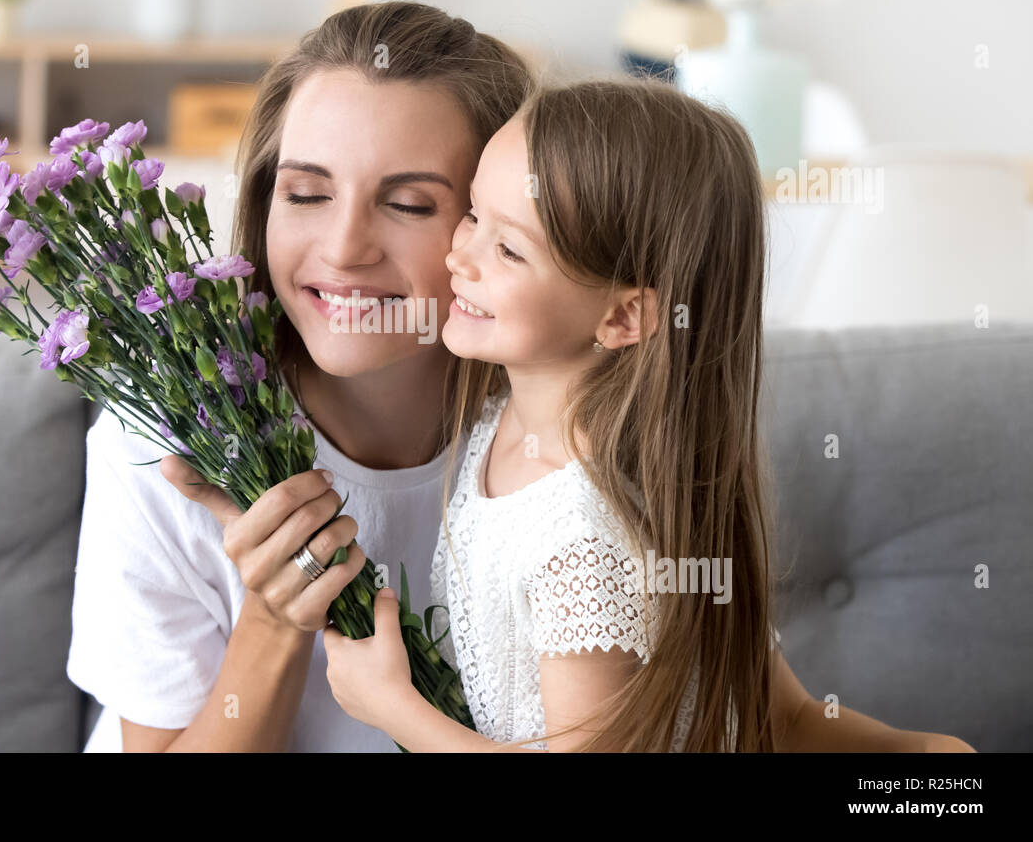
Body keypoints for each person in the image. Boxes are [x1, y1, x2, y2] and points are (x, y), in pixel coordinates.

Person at [66, 1, 972, 752]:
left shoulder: (563, 426)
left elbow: (745, 698)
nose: (343, 250)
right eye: (306, 193)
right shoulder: (168, 444)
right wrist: (275, 615)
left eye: (414, 203)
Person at [320, 78, 973, 752]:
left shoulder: (582, 539)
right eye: (474, 214)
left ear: (623, 315)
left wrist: (393, 708)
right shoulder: (508, 423)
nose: (460, 256)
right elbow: (785, 715)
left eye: (509, 250)